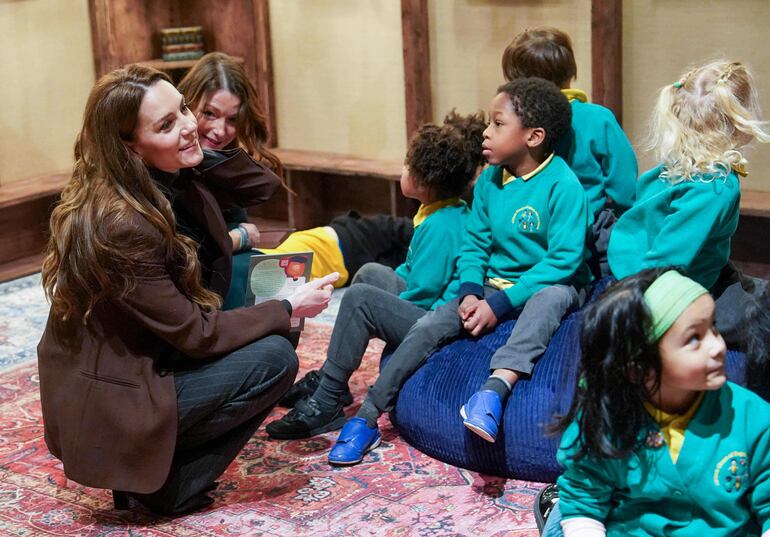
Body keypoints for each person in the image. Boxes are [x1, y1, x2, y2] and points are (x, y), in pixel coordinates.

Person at [37, 64, 338, 516]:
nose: (190, 127)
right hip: (114, 400)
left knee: (268, 327)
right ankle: (167, 484)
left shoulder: (160, 179)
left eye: (183, 109)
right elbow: (196, 334)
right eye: (165, 124)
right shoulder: (121, 223)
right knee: (275, 357)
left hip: (142, 363)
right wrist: (286, 305)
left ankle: (156, 471)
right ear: (129, 147)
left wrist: (189, 144)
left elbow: (261, 186)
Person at [315, 78, 591, 465]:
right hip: (491, 285)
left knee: (553, 295)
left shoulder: (563, 186)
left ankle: (493, 392)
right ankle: (366, 417)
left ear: (534, 136)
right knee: (427, 326)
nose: (486, 132)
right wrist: (471, 293)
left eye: (498, 124)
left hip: (545, 284)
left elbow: (563, 262)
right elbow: (474, 245)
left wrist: (499, 304)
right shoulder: (491, 180)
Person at [264, 110, 486, 444]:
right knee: (368, 273)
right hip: (427, 303)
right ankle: (331, 375)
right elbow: (410, 274)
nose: (403, 169)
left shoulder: (444, 225)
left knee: (358, 300)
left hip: (435, 321)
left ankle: (327, 401)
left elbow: (424, 293)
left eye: (407, 165)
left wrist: (381, 311)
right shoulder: (437, 211)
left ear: (423, 181)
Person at [541, 268, 770, 536]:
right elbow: (584, 505)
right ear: (637, 368)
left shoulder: (753, 418)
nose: (717, 346)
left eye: (713, 327)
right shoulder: (605, 419)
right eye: (694, 338)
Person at [178, 52, 415, 308]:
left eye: (232, 119)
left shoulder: (219, 163)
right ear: (185, 106)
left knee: (386, 235)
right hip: (276, 268)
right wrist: (240, 237)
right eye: (210, 114)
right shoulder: (173, 173)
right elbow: (185, 252)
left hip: (291, 255)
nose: (220, 130)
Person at [607, 60, 770, 345]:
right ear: (738, 122)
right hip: (658, 285)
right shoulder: (717, 187)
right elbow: (664, 264)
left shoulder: (675, 164)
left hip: (631, 261)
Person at [502, 26, 638, 277]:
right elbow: (625, 189)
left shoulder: (513, 124)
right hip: (588, 232)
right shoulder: (598, 119)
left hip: (528, 231)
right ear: (570, 70)